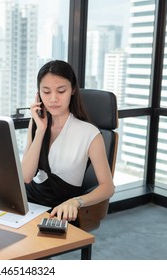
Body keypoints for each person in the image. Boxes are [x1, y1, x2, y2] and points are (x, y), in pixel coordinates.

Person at [21, 60, 115, 223]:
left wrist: (76, 201)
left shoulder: (89, 133)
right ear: (38, 94)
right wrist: (40, 130)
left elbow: (108, 187)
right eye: (46, 92)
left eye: (61, 91)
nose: (53, 99)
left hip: (60, 212)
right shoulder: (37, 123)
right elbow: (26, 177)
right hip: (27, 206)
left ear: (72, 90)